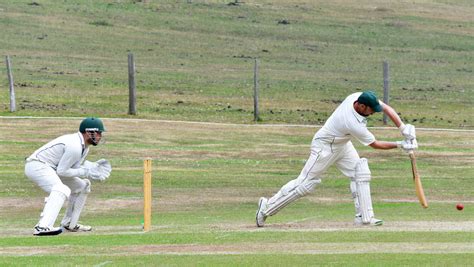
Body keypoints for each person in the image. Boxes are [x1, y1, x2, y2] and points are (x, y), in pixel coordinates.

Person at [256, 91, 417, 227]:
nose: (373, 113)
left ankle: (364, 218)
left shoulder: (358, 96)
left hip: (342, 144)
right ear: (361, 106)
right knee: (306, 183)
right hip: (324, 147)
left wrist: (403, 128)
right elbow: (374, 144)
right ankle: (266, 207)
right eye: (370, 110)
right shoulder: (351, 121)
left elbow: (386, 108)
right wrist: (400, 144)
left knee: (360, 172)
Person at [25, 117, 112, 236]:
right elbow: (62, 171)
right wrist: (86, 171)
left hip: (52, 168)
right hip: (37, 166)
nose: (100, 136)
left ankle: (70, 223)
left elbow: (73, 169)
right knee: (61, 189)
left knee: (83, 186)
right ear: (89, 132)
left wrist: (90, 168)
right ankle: (42, 227)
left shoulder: (84, 147)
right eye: (99, 133)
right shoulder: (75, 146)